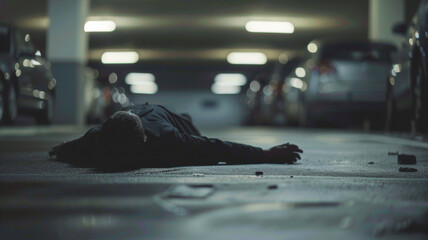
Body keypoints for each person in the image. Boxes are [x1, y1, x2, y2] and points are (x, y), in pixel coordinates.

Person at [50, 103, 303, 170]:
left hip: (169, 117)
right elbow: (74, 146)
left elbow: (218, 148)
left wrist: (268, 154)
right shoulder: (99, 139)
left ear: (144, 142)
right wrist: (61, 149)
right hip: (139, 114)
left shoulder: (169, 138)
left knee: (191, 126)